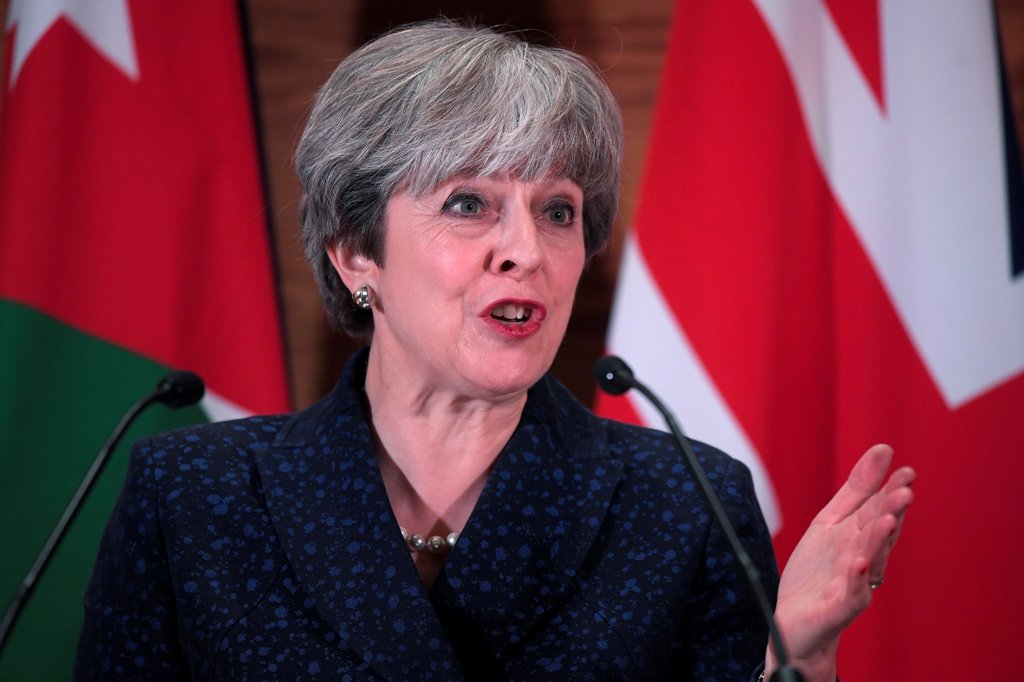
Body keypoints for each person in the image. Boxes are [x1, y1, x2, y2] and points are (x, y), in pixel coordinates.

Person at [73, 20, 914, 681]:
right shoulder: (193, 499)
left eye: (557, 211)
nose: (528, 251)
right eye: (470, 203)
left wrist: (794, 665)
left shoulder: (686, 504)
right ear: (355, 252)